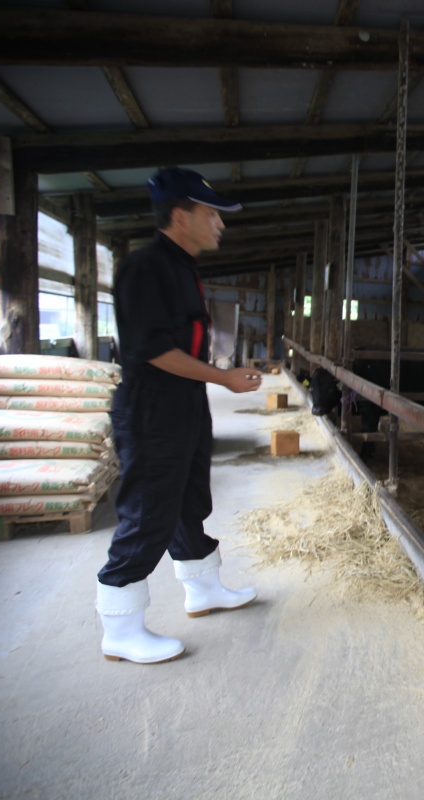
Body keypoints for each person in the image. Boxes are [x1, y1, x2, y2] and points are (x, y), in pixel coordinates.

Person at [95, 167, 262, 664]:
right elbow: (150, 350)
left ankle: (203, 589)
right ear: (179, 215)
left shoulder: (183, 268)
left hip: (184, 402)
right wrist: (223, 377)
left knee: (188, 499)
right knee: (148, 512)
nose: (220, 224)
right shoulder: (143, 268)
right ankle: (120, 629)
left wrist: (212, 380)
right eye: (211, 214)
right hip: (151, 408)